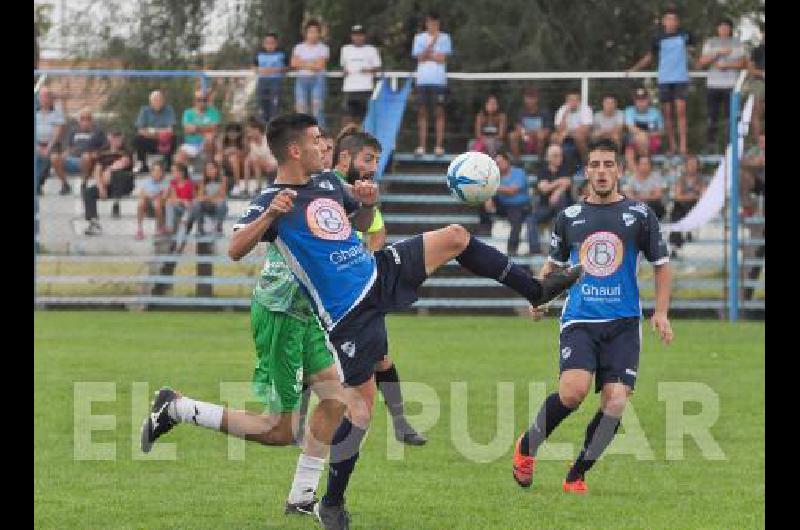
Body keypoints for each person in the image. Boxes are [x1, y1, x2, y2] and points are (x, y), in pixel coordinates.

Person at [221, 113, 580, 529]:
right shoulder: (271, 198)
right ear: (295, 150)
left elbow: (351, 223)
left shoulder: (326, 184)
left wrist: (366, 202)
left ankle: (537, 290)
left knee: (455, 237)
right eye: (317, 140)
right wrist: (270, 216)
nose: (326, 146)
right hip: (348, 311)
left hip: (376, 271)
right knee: (359, 408)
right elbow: (234, 248)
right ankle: (331, 504)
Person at [513, 138, 673, 494]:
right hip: (580, 319)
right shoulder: (568, 217)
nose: (602, 172)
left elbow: (662, 266)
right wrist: (538, 296)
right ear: (587, 171)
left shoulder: (640, 215)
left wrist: (660, 312)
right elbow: (553, 264)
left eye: (609, 165)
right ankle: (527, 446)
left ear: (619, 170)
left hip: (624, 322)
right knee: (572, 393)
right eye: (596, 165)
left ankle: (577, 474)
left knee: (616, 401)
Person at [628, 6, 695, 155]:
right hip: (665, 78)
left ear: (678, 22)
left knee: (681, 111)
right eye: (668, 19)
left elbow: (694, 52)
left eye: (674, 19)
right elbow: (649, 57)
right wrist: (634, 69)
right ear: (664, 21)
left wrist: (696, 59)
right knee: (667, 114)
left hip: (680, 78)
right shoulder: (658, 38)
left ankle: (683, 146)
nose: (671, 22)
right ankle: (672, 146)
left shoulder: (685, 35)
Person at [697, 18, 746, 153]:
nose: (724, 29)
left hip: (731, 85)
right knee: (712, 116)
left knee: (731, 117)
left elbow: (743, 63)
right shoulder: (710, 43)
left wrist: (727, 65)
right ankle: (711, 144)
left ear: (730, 29)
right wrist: (718, 53)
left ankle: (731, 145)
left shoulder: (737, 43)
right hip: (713, 85)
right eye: (721, 27)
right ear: (717, 29)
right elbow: (701, 62)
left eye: (726, 27)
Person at [412, 11, 453, 156]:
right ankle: (421, 146)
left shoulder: (445, 38)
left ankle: (438, 146)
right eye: (430, 22)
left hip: (439, 81)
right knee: (422, 113)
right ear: (426, 23)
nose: (433, 25)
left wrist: (428, 54)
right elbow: (420, 57)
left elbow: (442, 58)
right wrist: (433, 45)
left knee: (439, 113)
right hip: (422, 81)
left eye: (435, 23)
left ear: (438, 23)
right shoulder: (419, 38)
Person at [82, 129, 134, 236]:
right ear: (109, 137)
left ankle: (116, 203)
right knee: (88, 192)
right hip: (107, 183)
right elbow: (97, 170)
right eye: (114, 137)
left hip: (124, 184)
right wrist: (101, 187)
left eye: (119, 137)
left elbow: (123, 163)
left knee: (117, 174)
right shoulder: (103, 151)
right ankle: (94, 222)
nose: (116, 140)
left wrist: (109, 171)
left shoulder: (126, 150)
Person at [482, 150, 532, 256]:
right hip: (503, 205)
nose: (498, 165)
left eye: (500, 162)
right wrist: (488, 198)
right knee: (484, 196)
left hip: (519, 205)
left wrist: (493, 187)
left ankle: (512, 249)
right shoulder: (495, 176)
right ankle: (485, 228)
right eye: (496, 163)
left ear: (507, 161)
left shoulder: (519, 172)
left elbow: (512, 191)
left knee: (516, 221)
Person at [526, 143, 573, 256]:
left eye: (560, 155)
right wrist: (558, 183)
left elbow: (567, 182)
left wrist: (556, 192)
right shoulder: (542, 171)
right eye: (556, 156)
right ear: (548, 157)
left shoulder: (565, 168)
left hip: (563, 208)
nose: (559, 158)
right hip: (545, 206)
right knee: (530, 220)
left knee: (560, 201)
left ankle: (559, 250)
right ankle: (535, 251)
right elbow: (544, 189)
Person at [50, 107, 105, 189]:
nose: (85, 122)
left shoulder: (98, 132)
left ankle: (84, 183)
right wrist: (64, 154)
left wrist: (96, 154)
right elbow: (68, 147)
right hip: (72, 158)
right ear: (78, 120)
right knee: (54, 157)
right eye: (82, 119)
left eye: (88, 119)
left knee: (86, 156)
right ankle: (65, 184)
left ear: (92, 120)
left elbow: (104, 148)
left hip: (88, 160)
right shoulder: (73, 131)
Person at [340, 24, 382, 129]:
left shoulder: (371, 50)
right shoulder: (345, 49)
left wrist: (367, 70)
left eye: (360, 35)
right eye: (355, 35)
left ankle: (362, 140)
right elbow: (343, 66)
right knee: (347, 117)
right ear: (352, 36)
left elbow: (377, 68)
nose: (358, 37)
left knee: (364, 117)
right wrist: (344, 71)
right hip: (350, 88)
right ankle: (345, 139)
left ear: (364, 36)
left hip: (366, 88)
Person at [292, 19, 330, 128]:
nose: (313, 35)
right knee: (301, 108)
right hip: (301, 80)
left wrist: (303, 63)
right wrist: (312, 64)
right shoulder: (298, 47)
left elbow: (320, 66)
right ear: (306, 33)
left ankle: (320, 134)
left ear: (319, 33)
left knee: (317, 108)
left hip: (318, 80)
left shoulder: (323, 48)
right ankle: (302, 134)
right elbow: (294, 63)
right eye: (310, 32)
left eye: (315, 32)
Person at [35, 86, 71, 195]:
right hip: (37, 143)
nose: (44, 99)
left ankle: (64, 183)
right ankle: (37, 184)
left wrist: (48, 147)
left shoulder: (56, 112)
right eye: (42, 96)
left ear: (51, 98)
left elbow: (58, 131)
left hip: (53, 143)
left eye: (47, 96)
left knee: (54, 158)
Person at [668, 154, 705, 255]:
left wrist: (687, 195)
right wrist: (693, 194)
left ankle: (677, 244)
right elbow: (677, 196)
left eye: (694, 164)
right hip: (682, 206)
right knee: (676, 212)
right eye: (690, 164)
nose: (692, 166)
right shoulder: (681, 179)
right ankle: (675, 245)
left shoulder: (701, 179)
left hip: (695, 206)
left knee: (680, 209)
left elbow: (703, 196)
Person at [133, 90, 177, 172]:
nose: (158, 102)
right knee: (138, 139)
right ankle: (143, 165)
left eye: (160, 100)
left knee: (173, 137)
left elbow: (170, 130)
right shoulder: (144, 110)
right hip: (150, 141)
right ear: (150, 102)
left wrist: (151, 130)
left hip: (165, 140)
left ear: (163, 100)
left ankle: (168, 164)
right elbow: (140, 130)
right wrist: (160, 133)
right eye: (155, 100)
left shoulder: (169, 110)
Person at [623, 88, 665, 170]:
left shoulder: (656, 112)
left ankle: (643, 168)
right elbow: (631, 128)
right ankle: (636, 172)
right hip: (634, 140)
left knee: (639, 140)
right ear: (634, 101)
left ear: (648, 100)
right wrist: (643, 135)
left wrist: (647, 135)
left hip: (652, 140)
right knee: (629, 151)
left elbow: (662, 131)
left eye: (643, 99)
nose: (641, 103)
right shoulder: (629, 111)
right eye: (638, 100)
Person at [508, 85, 552, 161]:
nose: (529, 100)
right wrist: (525, 134)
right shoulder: (521, 112)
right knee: (512, 135)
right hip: (524, 137)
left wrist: (536, 134)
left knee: (541, 136)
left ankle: (539, 162)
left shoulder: (544, 112)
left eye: (532, 98)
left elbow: (547, 129)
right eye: (527, 98)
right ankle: (517, 162)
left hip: (539, 139)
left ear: (536, 99)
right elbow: (518, 127)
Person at [253, 33, 289, 124]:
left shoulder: (282, 53)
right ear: (263, 44)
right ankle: (264, 129)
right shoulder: (259, 53)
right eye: (267, 43)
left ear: (276, 44)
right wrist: (261, 70)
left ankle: (274, 130)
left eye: (272, 43)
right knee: (262, 107)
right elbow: (254, 67)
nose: (269, 45)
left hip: (275, 82)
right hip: (262, 82)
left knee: (275, 108)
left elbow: (288, 67)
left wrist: (276, 70)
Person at [551, 90, 593, 166]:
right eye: (570, 100)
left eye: (575, 100)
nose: (573, 102)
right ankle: (556, 163)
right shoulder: (563, 109)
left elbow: (586, 128)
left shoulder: (585, 109)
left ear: (579, 101)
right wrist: (565, 115)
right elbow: (558, 128)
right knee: (553, 137)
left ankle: (585, 161)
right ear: (567, 101)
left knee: (578, 137)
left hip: (582, 136)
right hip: (565, 135)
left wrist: (568, 132)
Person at [180, 89, 221, 162]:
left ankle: (209, 165)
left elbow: (215, 128)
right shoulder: (188, 113)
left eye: (204, 100)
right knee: (179, 157)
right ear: (194, 101)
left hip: (207, 144)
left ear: (207, 101)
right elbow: (187, 129)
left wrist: (196, 128)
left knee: (209, 138)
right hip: (191, 144)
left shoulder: (214, 112)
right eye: (199, 100)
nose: (202, 102)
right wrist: (207, 129)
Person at [164, 163, 196, 252]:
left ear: (181, 173)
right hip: (179, 207)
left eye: (174, 172)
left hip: (189, 209)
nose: (173, 174)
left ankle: (178, 245)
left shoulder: (189, 184)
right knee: (169, 203)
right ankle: (169, 226)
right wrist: (181, 201)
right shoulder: (173, 183)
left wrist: (186, 202)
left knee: (184, 221)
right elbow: (172, 198)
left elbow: (194, 200)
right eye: (172, 172)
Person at [623, 154, 666, 219]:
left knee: (653, 204)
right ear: (638, 165)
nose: (644, 166)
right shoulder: (632, 178)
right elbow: (628, 194)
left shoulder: (656, 177)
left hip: (652, 206)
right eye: (642, 164)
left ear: (650, 166)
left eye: (646, 164)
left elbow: (658, 195)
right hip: (637, 205)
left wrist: (641, 197)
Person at [192, 160, 229, 237]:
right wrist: (213, 198)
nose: (210, 171)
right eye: (208, 169)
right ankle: (200, 228)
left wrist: (207, 198)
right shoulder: (203, 180)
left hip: (218, 206)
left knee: (221, 202)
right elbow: (200, 196)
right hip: (207, 205)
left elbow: (222, 195)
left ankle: (219, 227)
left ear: (216, 169)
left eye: (212, 168)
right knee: (196, 203)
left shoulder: (223, 179)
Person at [244, 116, 278, 193]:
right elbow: (252, 158)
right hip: (262, 165)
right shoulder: (252, 143)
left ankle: (258, 187)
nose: (249, 134)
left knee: (255, 161)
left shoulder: (267, 139)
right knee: (248, 161)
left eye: (250, 131)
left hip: (274, 165)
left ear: (257, 130)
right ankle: (246, 189)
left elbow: (274, 157)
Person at [135, 160, 169, 240]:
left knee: (157, 203)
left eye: (158, 171)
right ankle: (139, 229)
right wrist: (153, 195)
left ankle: (160, 227)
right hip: (149, 206)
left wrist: (154, 196)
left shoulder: (166, 182)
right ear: (151, 172)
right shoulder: (146, 182)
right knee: (141, 202)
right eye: (154, 170)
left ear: (162, 172)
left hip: (161, 208)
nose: (156, 173)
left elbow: (164, 196)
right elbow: (142, 194)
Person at [217, 121, 246, 197]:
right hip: (227, 165)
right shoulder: (223, 140)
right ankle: (219, 183)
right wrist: (226, 152)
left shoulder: (242, 141)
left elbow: (246, 154)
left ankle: (237, 185)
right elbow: (220, 153)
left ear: (239, 133)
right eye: (230, 132)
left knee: (234, 158)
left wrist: (236, 152)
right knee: (218, 158)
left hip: (241, 165)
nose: (232, 134)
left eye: (235, 132)